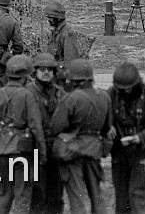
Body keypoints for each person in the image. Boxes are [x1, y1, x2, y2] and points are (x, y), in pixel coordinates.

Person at [0, 55, 46, 214]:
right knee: (22, 196)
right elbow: (36, 127)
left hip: (1, 151)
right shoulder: (27, 95)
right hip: (22, 152)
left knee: (2, 194)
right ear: (25, 76)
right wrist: (42, 153)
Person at [50, 59, 112, 214]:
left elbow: (56, 127)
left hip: (73, 151)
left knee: (76, 197)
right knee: (96, 195)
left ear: (74, 79)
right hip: (94, 150)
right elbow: (107, 128)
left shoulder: (71, 98)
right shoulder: (104, 96)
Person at [108, 62, 145, 214]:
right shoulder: (111, 95)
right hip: (120, 154)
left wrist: (139, 137)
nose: (126, 92)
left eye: (129, 88)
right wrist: (108, 128)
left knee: (142, 201)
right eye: (122, 89)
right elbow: (102, 117)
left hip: (143, 152)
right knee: (122, 202)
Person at [28, 53, 66, 214]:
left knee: (56, 190)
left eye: (49, 69)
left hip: (55, 145)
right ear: (35, 71)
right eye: (42, 69)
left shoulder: (59, 93)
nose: (46, 72)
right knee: (36, 189)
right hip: (34, 145)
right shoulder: (27, 92)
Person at [44, 1, 80, 90]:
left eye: (51, 18)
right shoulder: (56, 32)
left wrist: (53, 65)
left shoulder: (67, 34)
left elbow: (71, 63)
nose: (48, 20)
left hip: (64, 84)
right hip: (56, 80)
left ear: (58, 18)